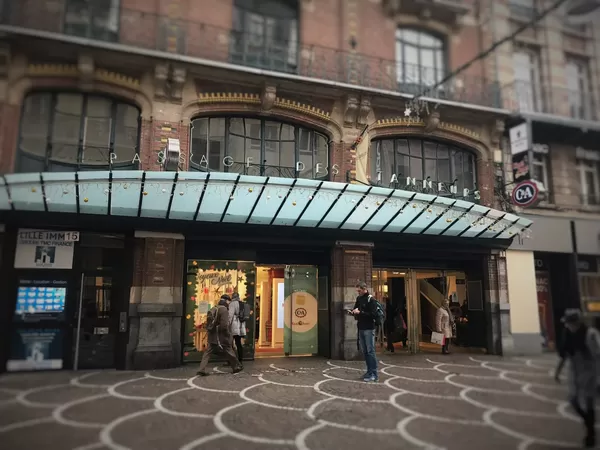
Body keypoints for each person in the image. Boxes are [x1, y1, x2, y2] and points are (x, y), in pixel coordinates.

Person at [555, 309, 599, 448]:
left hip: (590, 372)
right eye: (567, 323)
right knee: (573, 400)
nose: (568, 326)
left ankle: (590, 433)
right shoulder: (567, 334)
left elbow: (598, 356)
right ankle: (588, 423)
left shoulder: (590, 334)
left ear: (577, 322)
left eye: (570, 323)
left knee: (589, 401)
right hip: (575, 371)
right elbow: (564, 354)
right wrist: (557, 372)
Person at [197, 294, 242, 376]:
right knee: (228, 349)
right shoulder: (224, 310)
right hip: (221, 336)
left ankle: (201, 369)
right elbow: (224, 325)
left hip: (212, 335)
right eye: (229, 301)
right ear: (227, 301)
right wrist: (227, 334)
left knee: (208, 352)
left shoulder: (214, 308)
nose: (229, 303)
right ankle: (236, 366)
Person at [350, 281, 379, 382]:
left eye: (359, 291)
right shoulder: (359, 298)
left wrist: (360, 312)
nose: (358, 292)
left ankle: (374, 374)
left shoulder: (371, 300)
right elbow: (356, 309)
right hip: (361, 327)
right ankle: (369, 371)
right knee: (365, 352)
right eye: (357, 291)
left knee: (370, 351)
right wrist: (353, 312)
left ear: (364, 289)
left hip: (369, 328)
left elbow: (373, 314)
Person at [229, 292, 246, 366]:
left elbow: (230, 315)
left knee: (230, 343)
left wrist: (227, 324)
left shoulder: (232, 304)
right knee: (238, 343)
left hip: (234, 324)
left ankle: (231, 360)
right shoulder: (242, 304)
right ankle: (240, 359)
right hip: (241, 324)